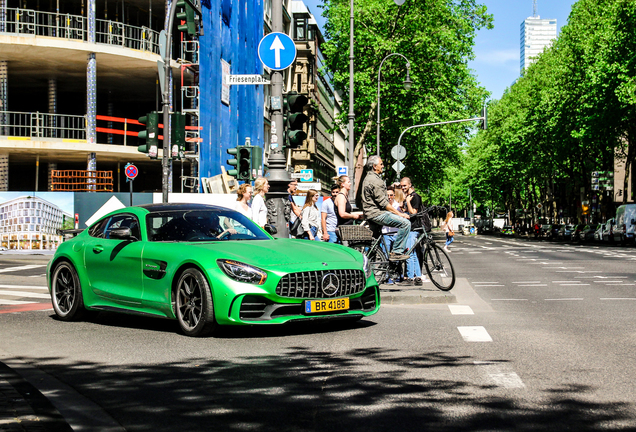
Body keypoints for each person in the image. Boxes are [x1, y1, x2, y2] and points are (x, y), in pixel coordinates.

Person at [360, 156, 411, 261]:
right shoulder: (375, 180)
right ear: (374, 166)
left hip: (371, 214)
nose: (383, 166)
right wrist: (400, 214)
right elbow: (384, 203)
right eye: (381, 164)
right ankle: (397, 252)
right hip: (377, 214)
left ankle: (370, 265)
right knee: (405, 224)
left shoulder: (368, 178)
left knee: (374, 243)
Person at [400, 177, 425, 285]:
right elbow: (407, 211)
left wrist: (408, 202)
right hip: (411, 228)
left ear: (410, 185)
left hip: (413, 228)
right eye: (401, 186)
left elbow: (413, 212)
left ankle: (410, 277)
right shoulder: (409, 197)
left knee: (409, 253)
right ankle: (418, 277)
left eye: (404, 185)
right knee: (413, 253)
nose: (403, 188)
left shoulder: (415, 197)